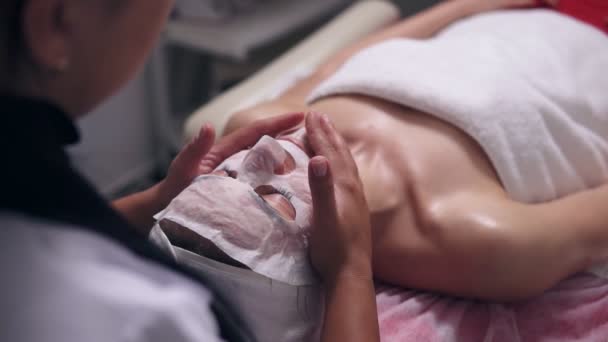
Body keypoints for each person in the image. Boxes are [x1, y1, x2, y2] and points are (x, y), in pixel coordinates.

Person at [0, 1, 380, 341]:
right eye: (272, 197)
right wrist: (350, 270)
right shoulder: (157, 316)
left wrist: (159, 198)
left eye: (224, 176)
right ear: (57, 20)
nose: (262, 151)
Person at [184, 0, 608, 303]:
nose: (257, 156)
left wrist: (465, 7)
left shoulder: (259, 128)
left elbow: (333, 68)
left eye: (226, 175)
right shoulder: (476, 241)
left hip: (524, 15)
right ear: (307, 250)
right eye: (263, 196)